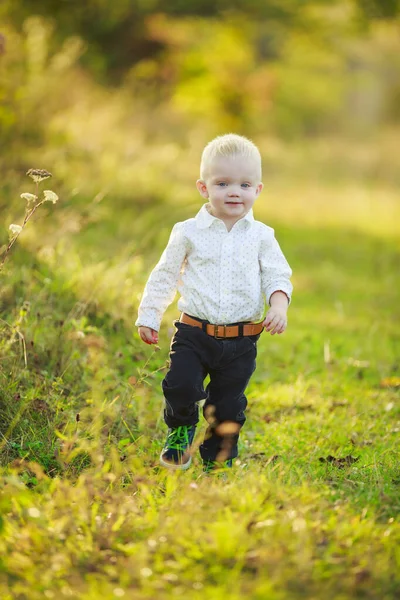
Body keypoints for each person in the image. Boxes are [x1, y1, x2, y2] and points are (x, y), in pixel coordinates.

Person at [135, 133, 293, 472]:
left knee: (228, 407)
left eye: (244, 184)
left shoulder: (262, 236)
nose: (234, 191)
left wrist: (278, 307)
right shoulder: (188, 231)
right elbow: (164, 275)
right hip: (194, 332)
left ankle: (218, 460)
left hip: (241, 340)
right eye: (223, 183)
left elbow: (277, 276)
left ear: (258, 190)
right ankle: (180, 431)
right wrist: (149, 315)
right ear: (204, 187)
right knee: (180, 385)